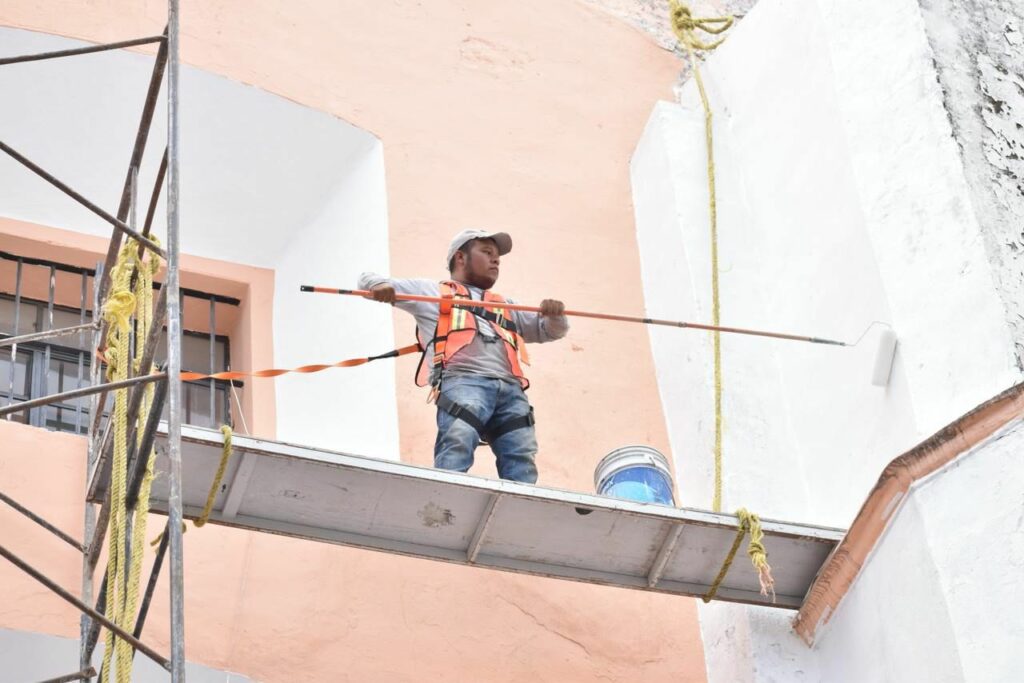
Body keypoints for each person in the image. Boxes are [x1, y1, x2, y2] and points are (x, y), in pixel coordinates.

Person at [358, 229, 568, 483]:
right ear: (460, 257)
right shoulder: (431, 292)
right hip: (463, 380)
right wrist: (380, 287)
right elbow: (367, 279)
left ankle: (521, 504)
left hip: (510, 389)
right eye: (487, 252)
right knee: (458, 438)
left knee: (520, 452)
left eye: (497, 257)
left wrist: (555, 316)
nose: (496, 260)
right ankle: (445, 493)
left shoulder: (506, 304)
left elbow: (548, 331)